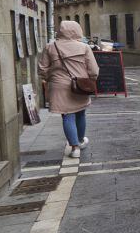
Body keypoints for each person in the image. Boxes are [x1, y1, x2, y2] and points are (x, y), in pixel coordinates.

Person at [38, 20, 99, 159]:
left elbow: (42, 69)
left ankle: (74, 147)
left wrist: (51, 77)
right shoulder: (84, 47)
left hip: (58, 86)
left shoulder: (50, 47)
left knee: (67, 115)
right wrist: (91, 80)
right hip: (80, 85)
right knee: (80, 113)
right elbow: (93, 70)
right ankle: (81, 139)